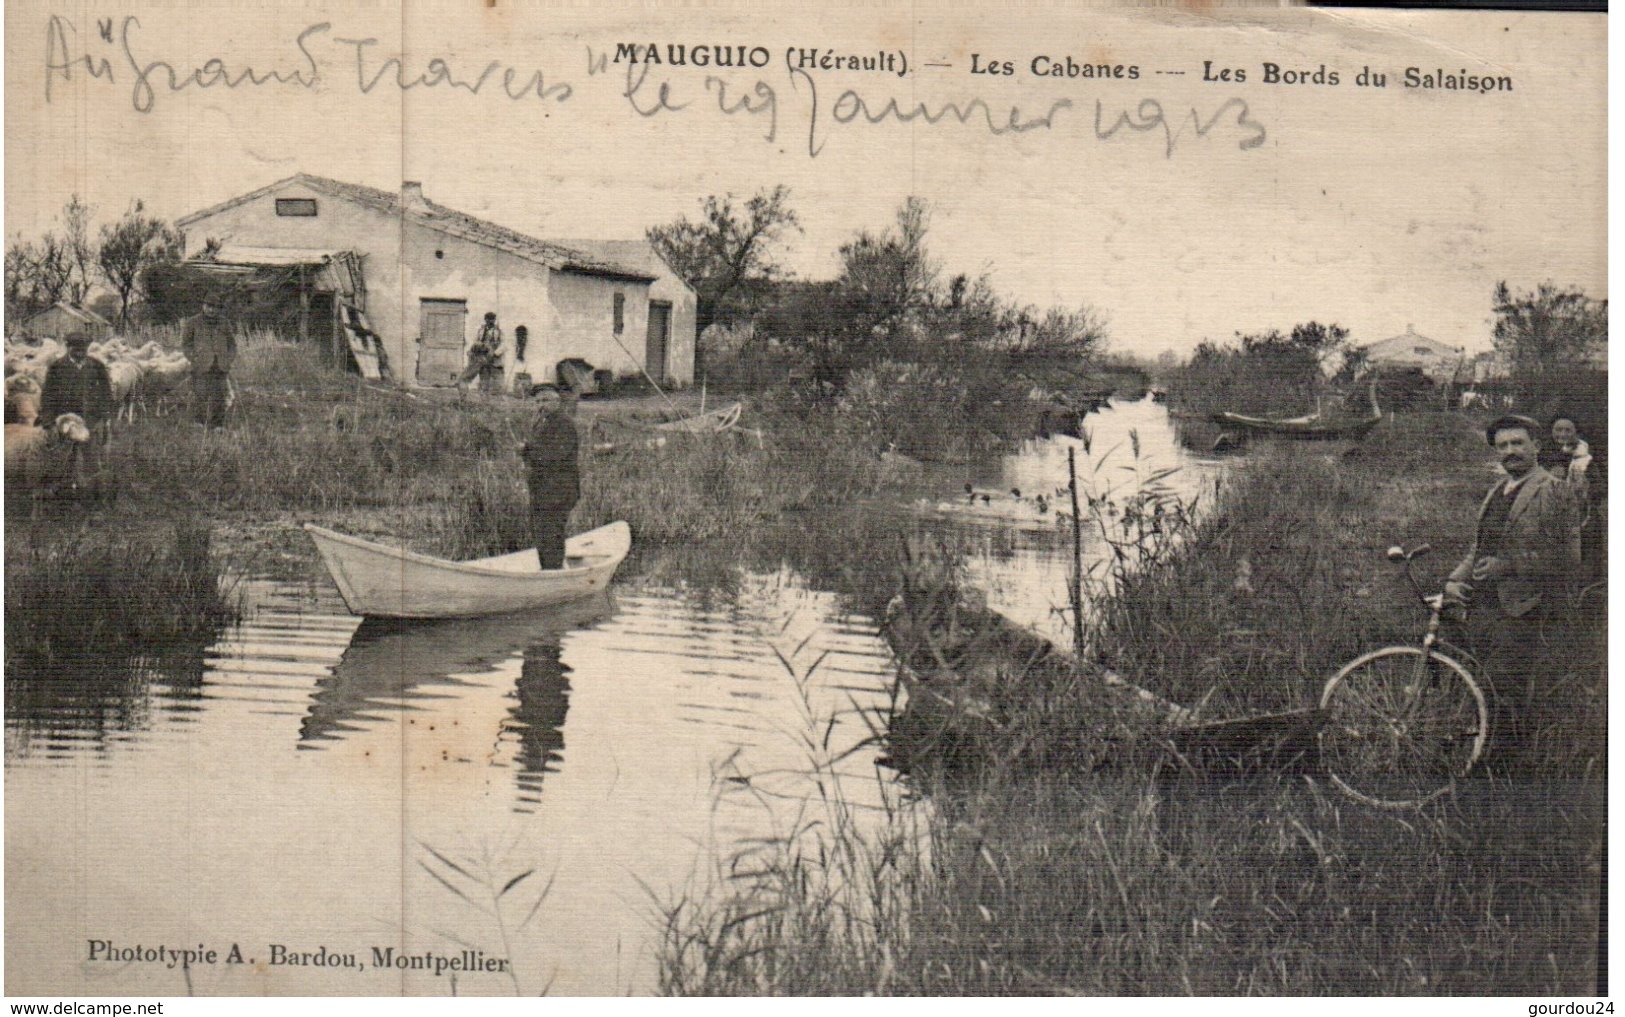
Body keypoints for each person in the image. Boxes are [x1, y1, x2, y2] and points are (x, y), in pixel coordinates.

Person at [1444, 414, 1583, 753]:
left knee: (1506, 695)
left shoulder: (1554, 490)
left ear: (1536, 446)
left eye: (1518, 443)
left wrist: (1506, 567)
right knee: (1476, 686)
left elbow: (1569, 561)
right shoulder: (1496, 491)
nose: (1511, 451)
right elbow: (1479, 548)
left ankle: (1504, 771)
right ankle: (1476, 758)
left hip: (1523, 611)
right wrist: (1453, 581)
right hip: (1483, 607)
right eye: (1503, 445)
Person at [520, 386, 580, 569]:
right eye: (538, 401)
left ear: (557, 402)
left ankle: (553, 572)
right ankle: (547, 570)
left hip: (558, 491)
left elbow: (554, 455)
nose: (541, 405)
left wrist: (528, 450)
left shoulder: (564, 424)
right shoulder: (541, 422)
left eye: (545, 401)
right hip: (542, 490)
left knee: (552, 533)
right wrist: (526, 450)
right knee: (541, 533)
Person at [180, 296, 237, 428]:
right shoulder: (192, 322)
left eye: (215, 307)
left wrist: (228, 359)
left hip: (220, 366)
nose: (211, 309)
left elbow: (232, 344)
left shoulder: (224, 323)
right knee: (200, 394)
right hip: (201, 365)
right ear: (203, 306)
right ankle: (199, 423)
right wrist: (194, 358)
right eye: (209, 306)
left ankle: (218, 425)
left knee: (220, 395)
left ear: (218, 309)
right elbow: (186, 345)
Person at [39, 331, 113, 430]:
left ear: (87, 348)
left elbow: (106, 392)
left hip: (91, 421)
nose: (80, 351)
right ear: (68, 348)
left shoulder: (97, 366)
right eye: (75, 348)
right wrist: (48, 421)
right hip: (65, 422)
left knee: (90, 443)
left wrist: (106, 417)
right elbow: (48, 395)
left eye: (83, 348)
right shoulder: (56, 367)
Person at [461, 312, 504, 393]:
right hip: (482, 357)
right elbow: (475, 341)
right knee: (483, 374)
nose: (490, 321)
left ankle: (492, 392)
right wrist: (471, 350)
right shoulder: (480, 330)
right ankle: (483, 392)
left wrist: (496, 353)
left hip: (493, 357)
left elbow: (504, 344)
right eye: (488, 319)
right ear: (485, 320)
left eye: (492, 319)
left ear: (494, 320)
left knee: (492, 375)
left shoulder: (498, 331)